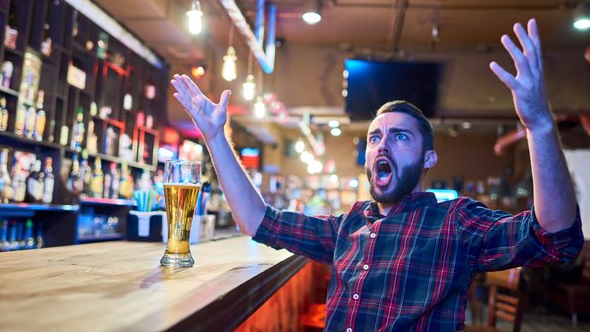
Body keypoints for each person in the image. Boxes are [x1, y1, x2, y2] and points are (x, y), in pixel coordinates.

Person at [171, 19, 583, 331]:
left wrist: (540, 126)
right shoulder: (348, 226)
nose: (382, 145)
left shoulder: (455, 223)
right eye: (374, 137)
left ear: (428, 159)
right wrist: (216, 139)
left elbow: (555, 239)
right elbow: (257, 221)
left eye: (400, 136)